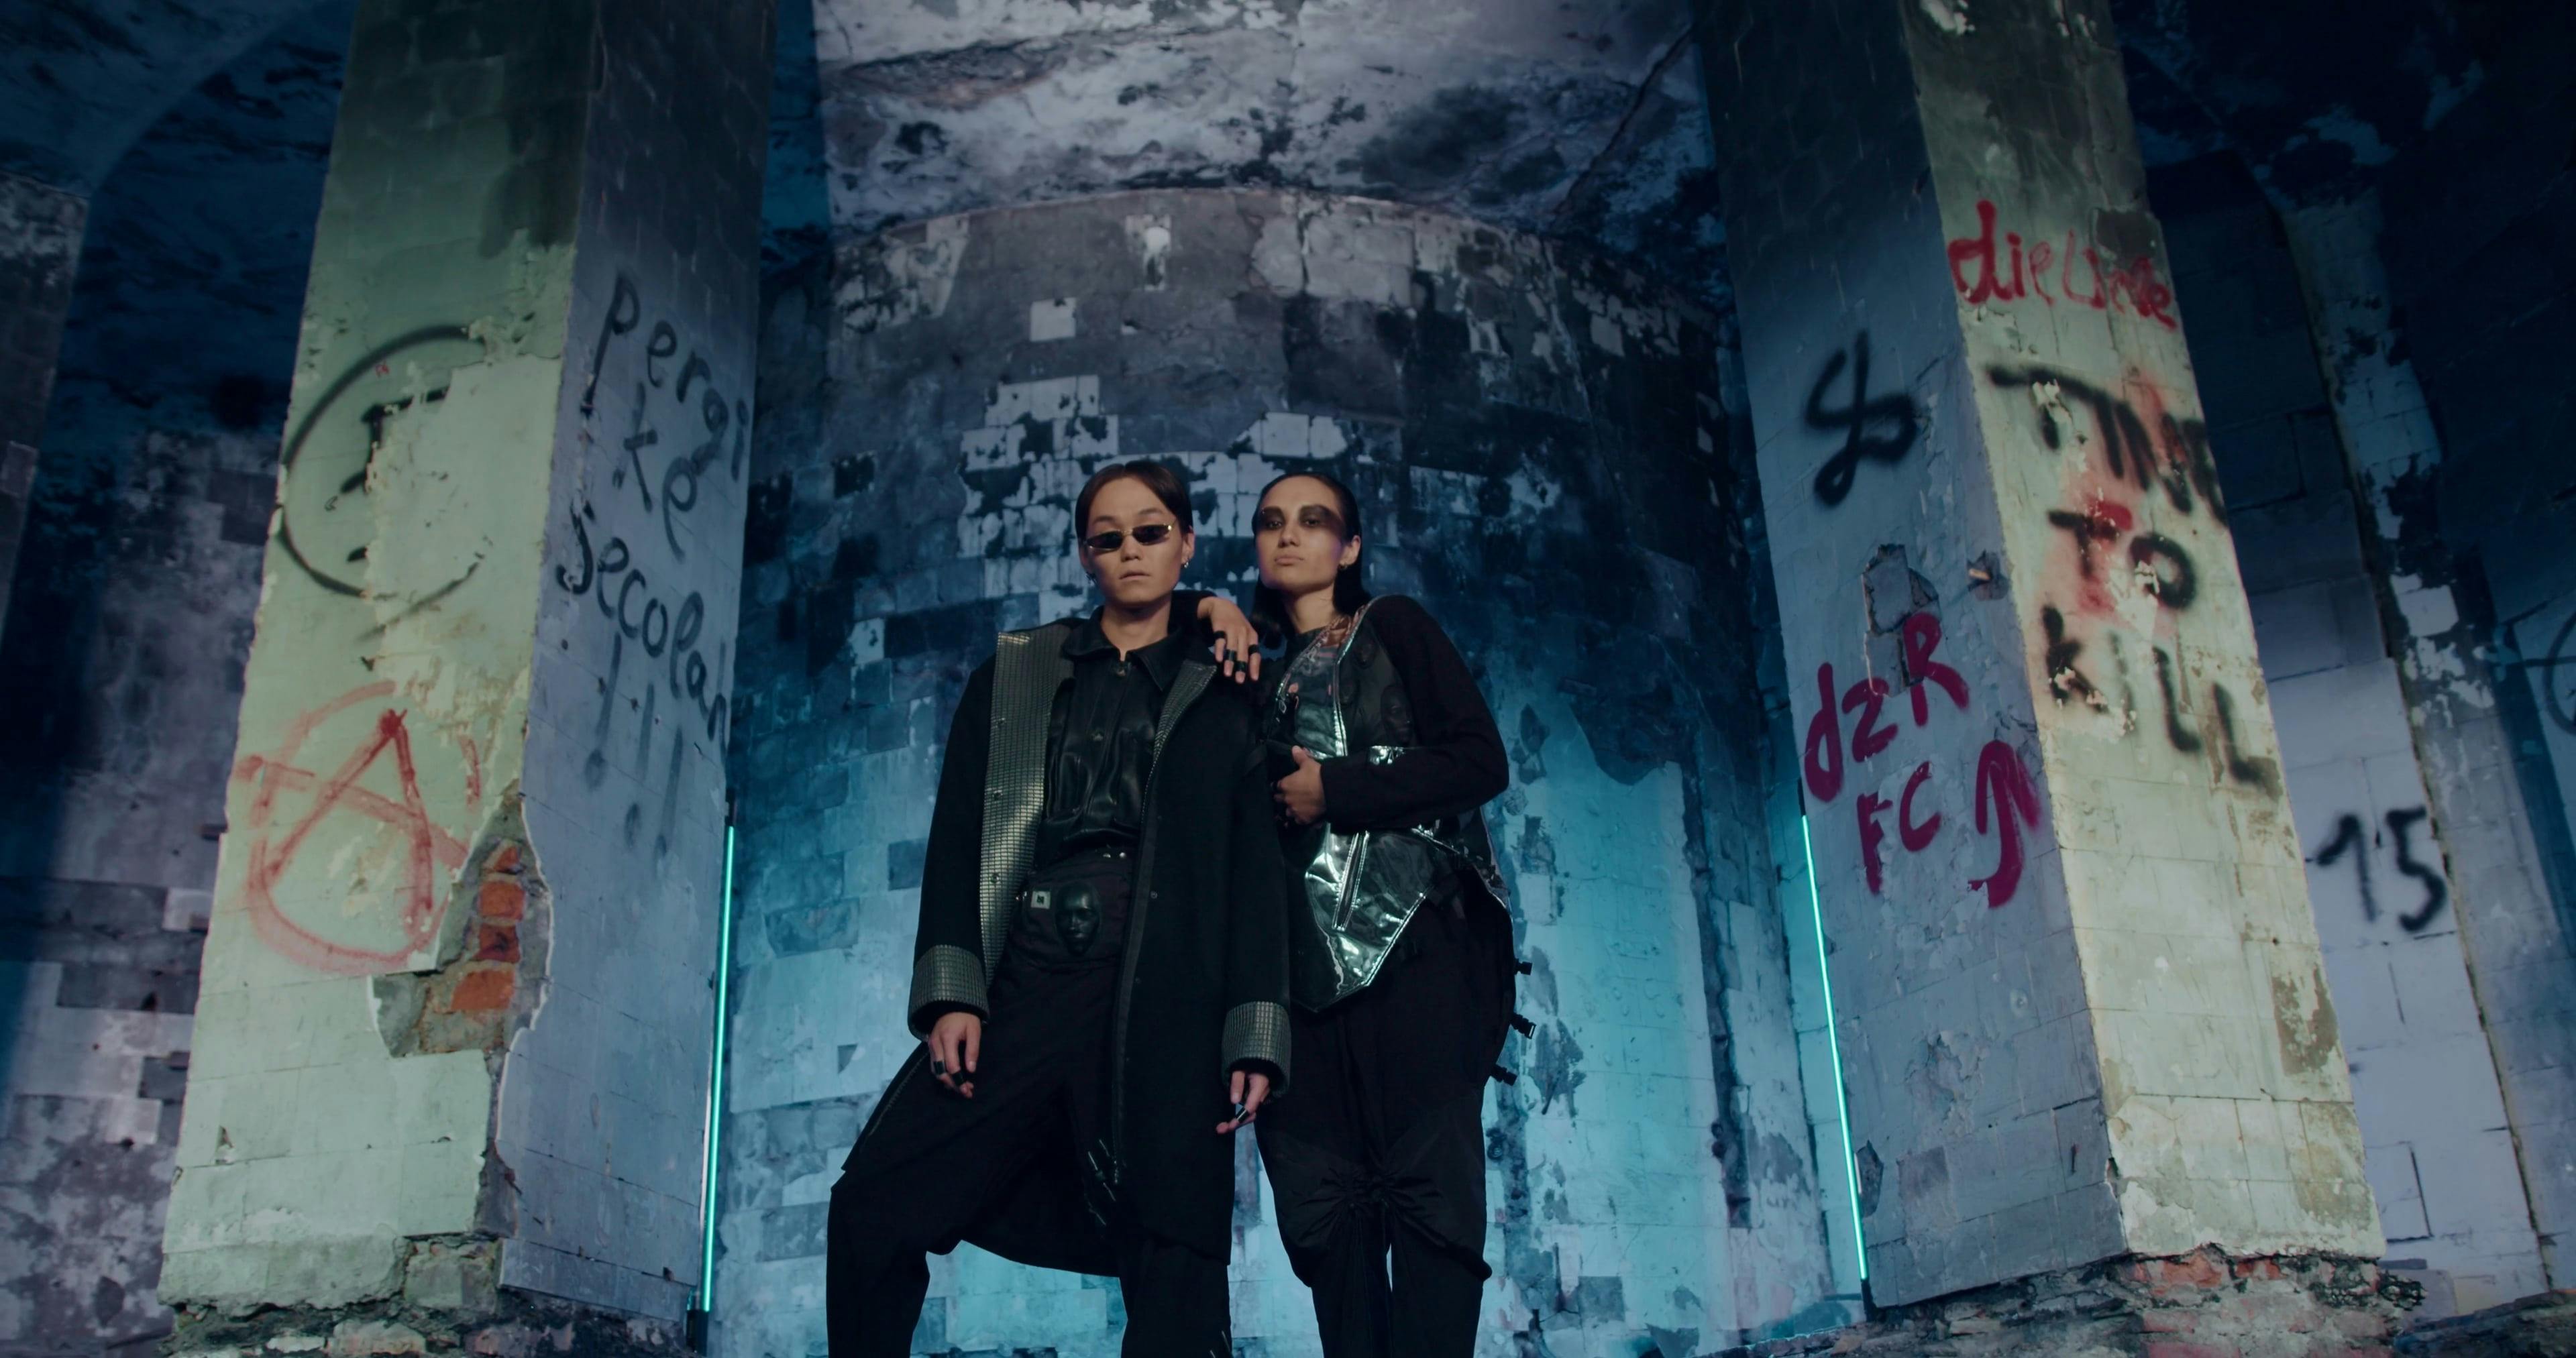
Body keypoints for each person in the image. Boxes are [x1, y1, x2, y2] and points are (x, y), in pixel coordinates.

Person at [826, 461, 1292, 1357]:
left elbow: (1255, 873)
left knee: (1174, 1245)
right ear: (1085, 555)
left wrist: (1255, 1029)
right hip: (1033, 966)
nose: (1130, 551)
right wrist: (955, 992)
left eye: (1152, 532)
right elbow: (960, 832)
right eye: (1108, 538)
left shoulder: (1230, 687)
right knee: (876, 1196)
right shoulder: (1016, 673)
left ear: (1186, 544)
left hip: (1169, 983)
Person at [1199, 470, 1516, 1357]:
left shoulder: (1395, 627)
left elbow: (1478, 760)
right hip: (1294, 985)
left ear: (1350, 547)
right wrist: (1206, 609)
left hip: (1415, 952)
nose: (1288, 535)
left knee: (1433, 1208)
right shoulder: (1244, 674)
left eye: (1313, 521)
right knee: (1328, 1226)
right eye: (1271, 522)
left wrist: (1334, 789)